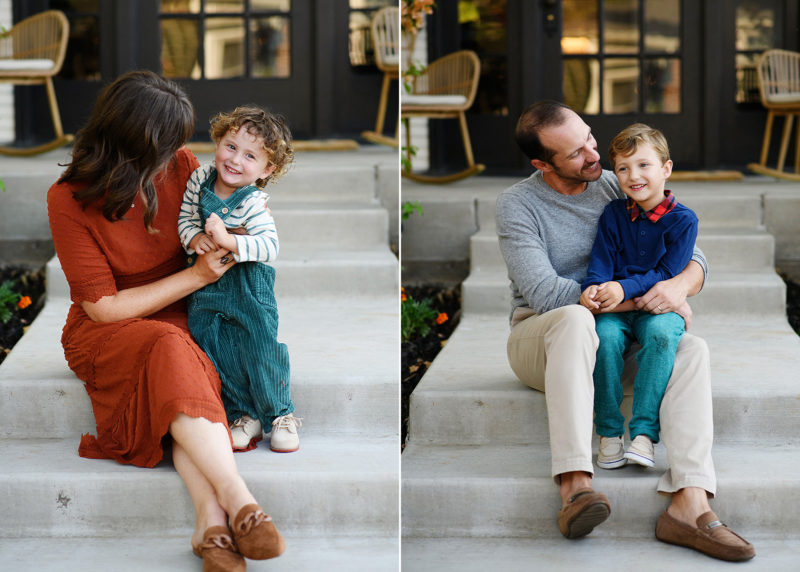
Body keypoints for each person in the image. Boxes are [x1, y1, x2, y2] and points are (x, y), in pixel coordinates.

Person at [495, 100, 755, 561]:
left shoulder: (616, 183)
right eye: (576, 153)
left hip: (615, 336)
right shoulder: (518, 204)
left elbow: (693, 254)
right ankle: (576, 486)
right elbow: (545, 293)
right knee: (576, 317)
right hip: (543, 339)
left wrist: (676, 289)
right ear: (542, 163)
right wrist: (635, 296)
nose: (594, 155)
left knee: (690, 350)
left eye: (590, 138)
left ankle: (690, 505)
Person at [48, 70, 285, 572]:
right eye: (166, 144)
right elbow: (102, 308)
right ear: (130, 143)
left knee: (178, 369)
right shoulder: (68, 199)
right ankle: (241, 500)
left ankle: (212, 526)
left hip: (183, 313)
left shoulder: (179, 166)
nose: (180, 153)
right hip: (110, 327)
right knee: (169, 350)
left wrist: (236, 238)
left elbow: (232, 212)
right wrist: (199, 276)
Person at [178, 105, 302, 453]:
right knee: (215, 346)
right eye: (230, 146)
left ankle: (280, 414)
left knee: (260, 347)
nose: (235, 160)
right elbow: (185, 219)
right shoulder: (199, 180)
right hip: (207, 288)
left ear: (266, 169)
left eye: (250, 156)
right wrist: (193, 238)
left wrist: (229, 239)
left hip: (249, 286)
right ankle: (244, 415)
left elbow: (269, 246)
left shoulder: (254, 201)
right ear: (217, 142)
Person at [579, 124, 697, 471]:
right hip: (616, 311)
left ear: (666, 168)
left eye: (644, 165)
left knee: (661, 335)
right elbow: (600, 258)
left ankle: (644, 434)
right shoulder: (614, 214)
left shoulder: (684, 221)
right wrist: (595, 286)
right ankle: (610, 432)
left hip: (658, 308)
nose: (634, 176)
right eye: (623, 168)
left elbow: (666, 274)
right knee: (604, 335)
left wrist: (621, 289)